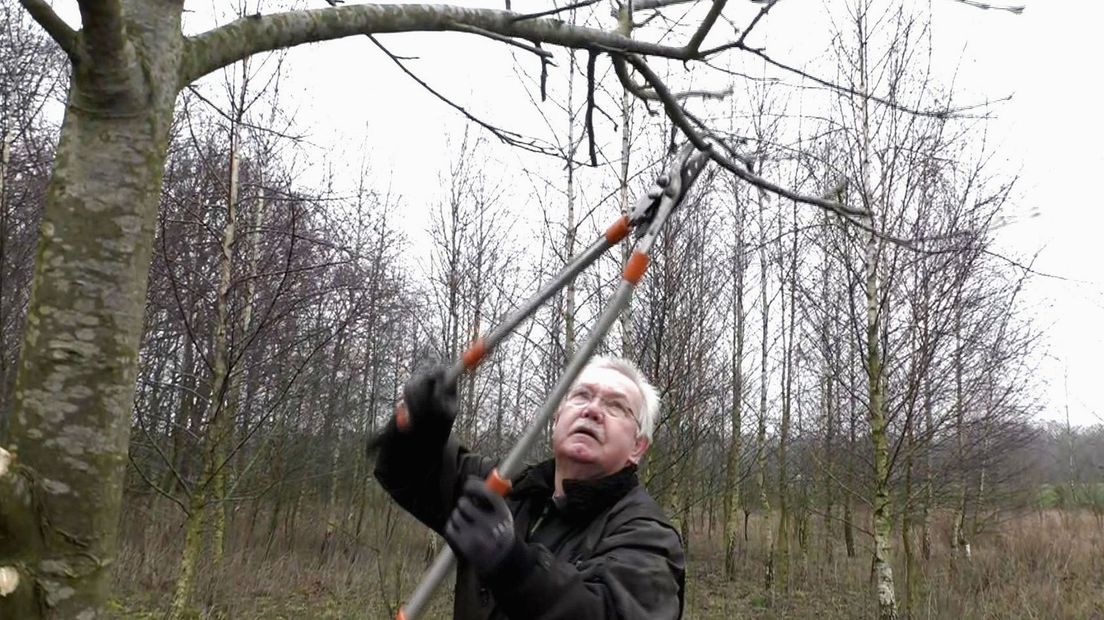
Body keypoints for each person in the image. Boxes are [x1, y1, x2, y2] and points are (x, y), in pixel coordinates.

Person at [374, 355, 685, 619]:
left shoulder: (648, 535)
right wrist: (418, 428)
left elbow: (611, 611)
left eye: (616, 406)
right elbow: (410, 473)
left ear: (638, 447)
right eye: (581, 396)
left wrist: (515, 567)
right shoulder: (506, 487)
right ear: (557, 418)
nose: (592, 410)